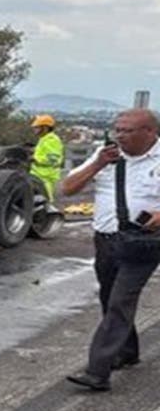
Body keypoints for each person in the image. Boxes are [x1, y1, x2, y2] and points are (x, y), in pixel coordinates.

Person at [60, 108, 160, 391]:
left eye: (128, 131)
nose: (120, 136)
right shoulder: (105, 155)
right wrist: (97, 164)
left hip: (144, 243)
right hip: (106, 241)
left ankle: (97, 371)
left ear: (150, 132)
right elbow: (67, 189)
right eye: (118, 130)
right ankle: (127, 351)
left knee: (120, 302)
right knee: (108, 297)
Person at [29, 114, 65, 201]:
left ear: (45, 128)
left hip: (45, 177)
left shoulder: (52, 140)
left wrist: (35, 159)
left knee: (45, 200)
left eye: (37, 127)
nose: (35, 130)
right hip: (39, 175)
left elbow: (53, 159)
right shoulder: (44, 139)